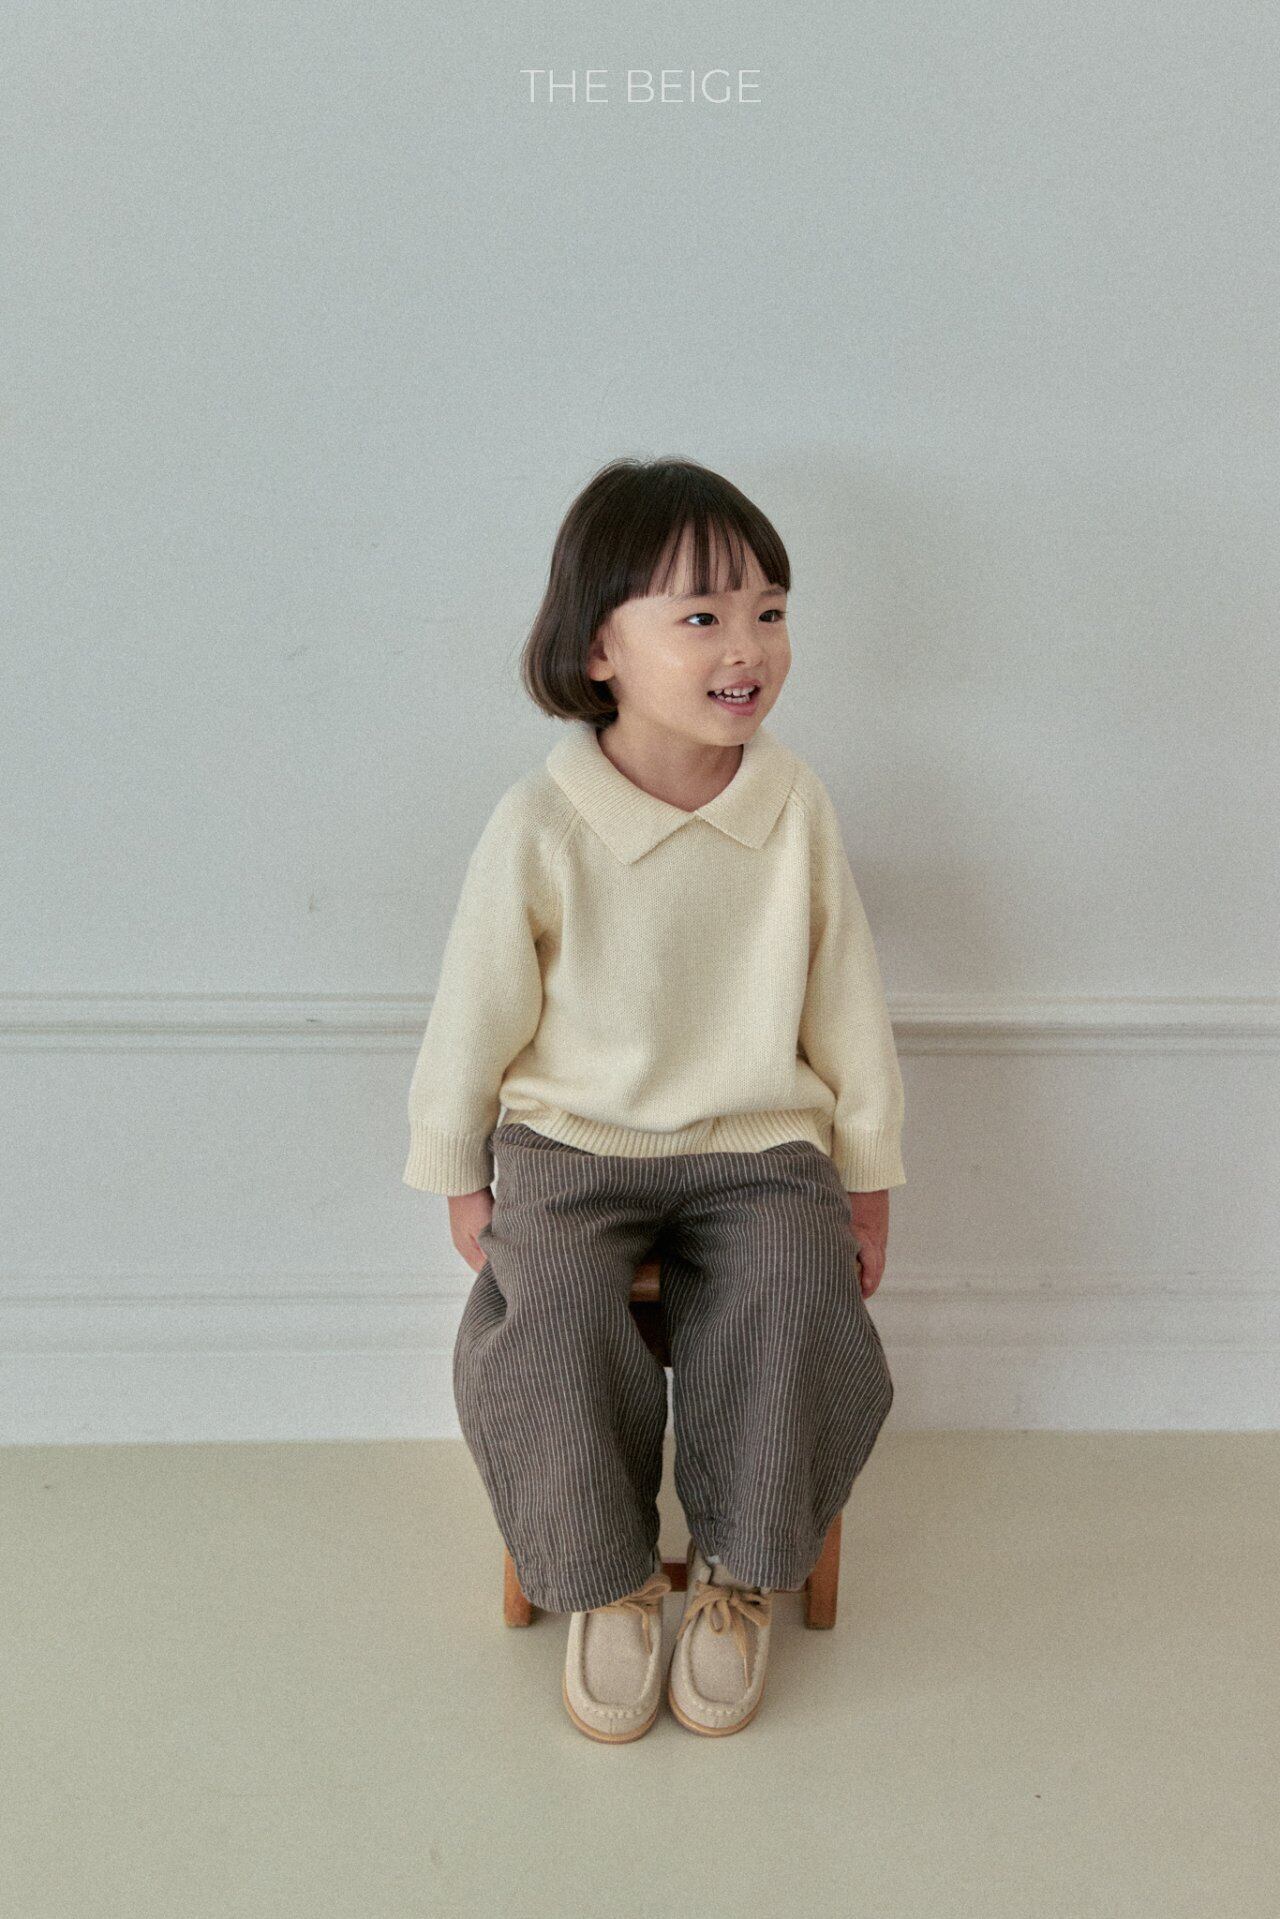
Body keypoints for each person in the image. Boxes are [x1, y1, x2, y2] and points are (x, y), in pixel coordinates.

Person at [402, 455, 905, 1741]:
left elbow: (844, 998)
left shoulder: (792, 806)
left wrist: (863, 1179)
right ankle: (605, 1577)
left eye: (768, 611)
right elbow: (474, 1007)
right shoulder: (541, 819)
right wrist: (458, 1166)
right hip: (571, 1142)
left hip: (759, 1143)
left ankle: (739, 1568)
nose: (747, 645)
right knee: (545, 1307)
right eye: (701, 615)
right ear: (598, 649)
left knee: (791, 1286)